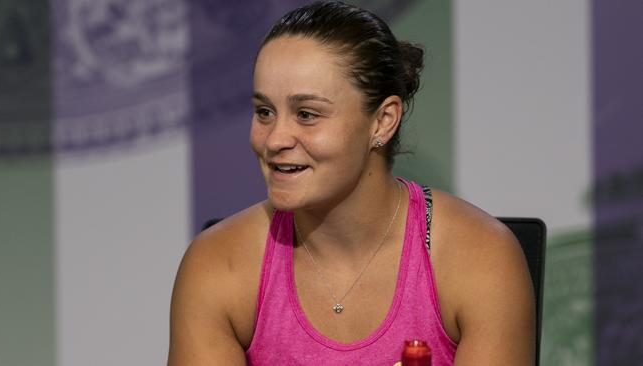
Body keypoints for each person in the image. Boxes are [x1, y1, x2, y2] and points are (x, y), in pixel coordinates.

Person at [167, 1, 535, 365]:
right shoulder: (217, 264)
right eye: (265, 112)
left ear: (382, 121)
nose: (275, 139)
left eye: (306, 114)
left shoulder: (480, 258)